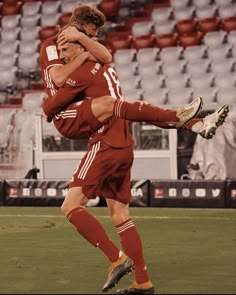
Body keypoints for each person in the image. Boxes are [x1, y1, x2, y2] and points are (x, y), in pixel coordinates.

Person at [41, 38, 229, 295]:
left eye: (66, 49)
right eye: (60, 50)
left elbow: (53, 101)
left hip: (105, 142)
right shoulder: (103, 65)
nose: (62, 54)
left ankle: (116, 258)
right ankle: (142, 281)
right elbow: (111, 72)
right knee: (120, 215)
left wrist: (47, 105)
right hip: (123, 141)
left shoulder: (83, 69)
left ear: (83, 47)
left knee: (71, 206)